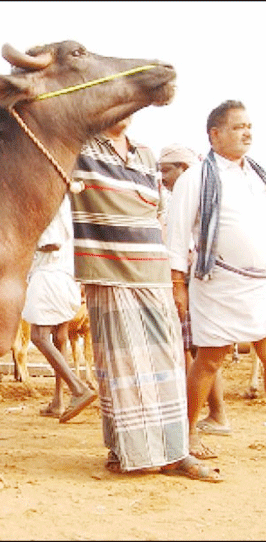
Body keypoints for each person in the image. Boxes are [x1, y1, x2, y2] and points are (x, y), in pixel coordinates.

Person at [70, 115, 222, 482]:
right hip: (109, 273)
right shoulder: (78, 148)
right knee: (124, 369)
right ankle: (128, 452)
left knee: (167, 365)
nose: (125, 111)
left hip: (153, 273)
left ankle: (175, 454)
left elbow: (157, 215)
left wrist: (173, 275)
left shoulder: (145, 155)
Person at [166, 100, 266, 460]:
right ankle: (188, 435)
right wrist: (177, 284)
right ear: (215, 134)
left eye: (249, 125)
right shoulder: (196, 177)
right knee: (210, 359)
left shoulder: (257, 173)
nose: (248, 132)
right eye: (239, 126)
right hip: (217, 282)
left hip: (260, 284)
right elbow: (177, 237)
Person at [158, 144, 230, 437]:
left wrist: (177, 283)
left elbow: (183, 247)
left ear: (184, 169)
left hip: (189, 281)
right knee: (205, 352)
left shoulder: (187, 197)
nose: (162, 178)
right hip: (194, 279)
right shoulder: (192, 195)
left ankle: (202, 420)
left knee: (193, 351)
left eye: (166, 170)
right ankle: (215, 415)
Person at [22, 195, 97, 422]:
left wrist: (23, 241)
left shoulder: (51, 200)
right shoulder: (68, 202)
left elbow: (51, 241)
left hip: (50, 274)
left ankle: (77, 388)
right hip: (65, 274)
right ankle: (58, 400)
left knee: (39, 336)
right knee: (60, 337)